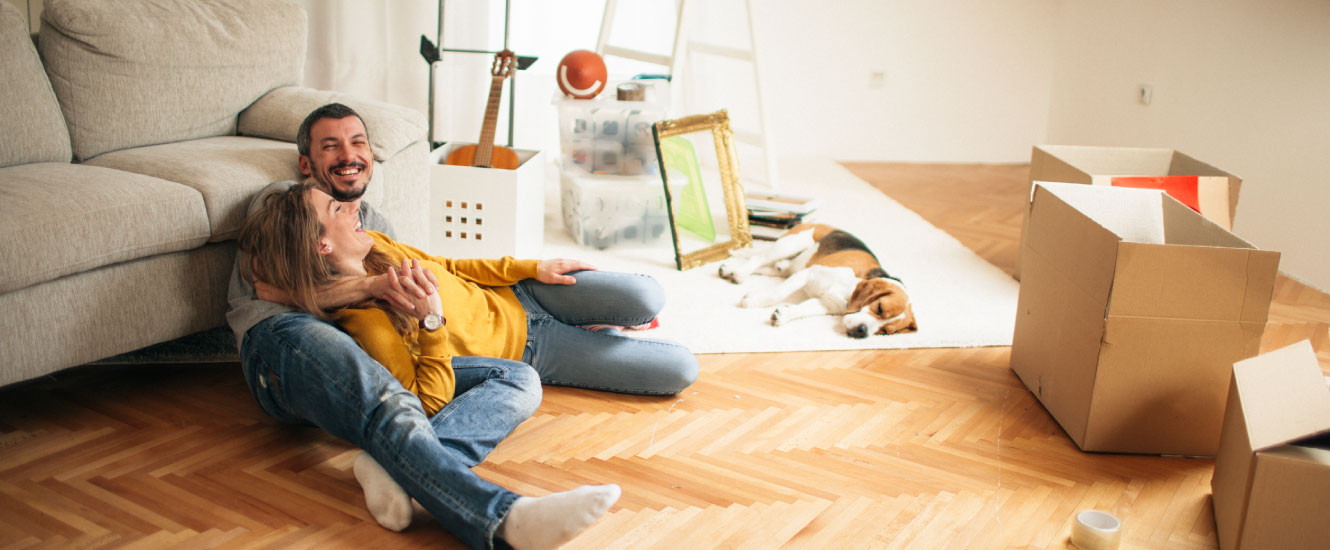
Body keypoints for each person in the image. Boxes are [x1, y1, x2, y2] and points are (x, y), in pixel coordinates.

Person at [225, 103, 698, 549]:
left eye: (358, 142)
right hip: (530, 350)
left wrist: (529, 266)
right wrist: (430, 321)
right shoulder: (358, 310)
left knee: (645, 296)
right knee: (677, 370)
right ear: (305, 164)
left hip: (519, 296)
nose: (350, 162)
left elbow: (447, 264)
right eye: (330, 147)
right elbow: (420, 396)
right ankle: (402, 465)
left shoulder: (374, 234)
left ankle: (400, 462)